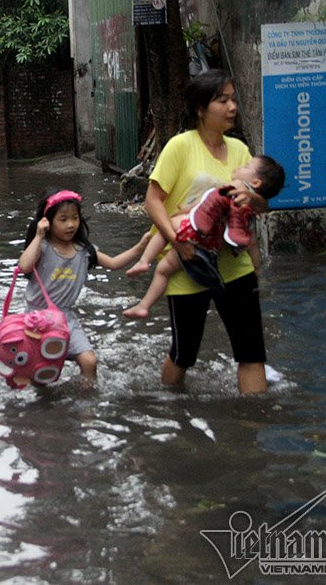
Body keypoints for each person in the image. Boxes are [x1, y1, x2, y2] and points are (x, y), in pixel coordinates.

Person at [141, 69, 271, 395]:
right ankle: (171, 409)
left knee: (251, 351)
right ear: (200, 108)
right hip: (189, 263)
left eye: (233, 99)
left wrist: (254, 199)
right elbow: (152, 202)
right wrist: (176, 243)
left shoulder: (240, 151)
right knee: (185, 354)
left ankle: (253, 427)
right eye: (222, 100)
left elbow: (259, 206)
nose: (232, 107)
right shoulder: (179, 147)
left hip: (235, 265)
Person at [123, 155, 285, 319]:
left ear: (255, 182)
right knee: (164, 270)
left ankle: (144, 262)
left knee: (166, 226)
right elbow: (251, 243)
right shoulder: (249, 213)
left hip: (197, 230)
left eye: (247, 166)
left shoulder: (237, 187)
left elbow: (206, 202)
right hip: (210, 247)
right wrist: (256, 268)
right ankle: (143, 306)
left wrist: (185, 210)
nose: (240, 166)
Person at [18, 190, 149, 384]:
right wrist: (38, 236)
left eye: (74, 218)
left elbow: (113, 263)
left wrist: (141, 246)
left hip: (66, 318)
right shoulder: (43, 247)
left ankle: (86, 408)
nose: (70, 224)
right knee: (41, 374)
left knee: (89, 361)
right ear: (48, 221)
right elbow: (24, 266)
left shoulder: (83, 251)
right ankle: (44, 410)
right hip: (37, 320)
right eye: (63, 219)